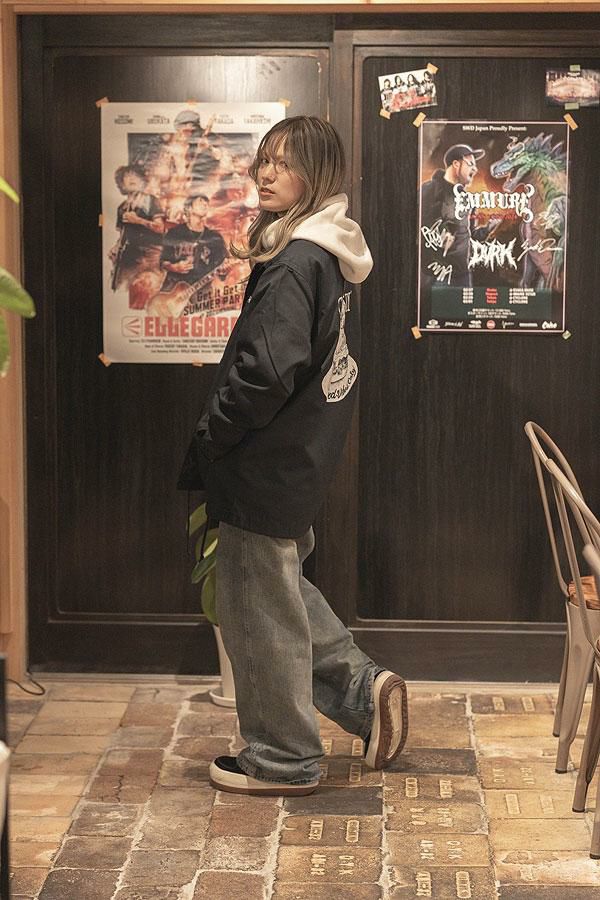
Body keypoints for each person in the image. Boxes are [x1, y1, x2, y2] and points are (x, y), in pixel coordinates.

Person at [178, 115, 409, 796]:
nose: (267, 173)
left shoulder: (294, 261)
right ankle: (363, 693)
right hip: (297, 460)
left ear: (319, 174)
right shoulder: (328, 253)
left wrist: (212, 435)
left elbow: (267, 373)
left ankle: (283, 758)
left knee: (259, 614)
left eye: (285, 162)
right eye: (264, 160)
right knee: (280, 592)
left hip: (263, 463)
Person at [420, 143, 486, 288]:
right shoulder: (429, 190)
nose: (475, 169)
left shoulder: (467, 199)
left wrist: (488, 229)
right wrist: (441, 231)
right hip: (436, 275)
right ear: (456, 164)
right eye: (470, 164)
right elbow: (419, 224)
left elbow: (471, 234)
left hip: (462, 275)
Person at [110, 164, 165, 305]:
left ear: (142, 181)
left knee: (149, 295)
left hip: (150, 255)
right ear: (122, 183)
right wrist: (115, 249)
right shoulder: (122, 207)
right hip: (128, 256)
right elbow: (122, 234)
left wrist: (138, 220)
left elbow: (160, 228)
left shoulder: (151, 200)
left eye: (135, 176)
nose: (132, 179)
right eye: (127, 176)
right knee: (122, 292)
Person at [161, 193, 227, 288]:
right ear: (189, 208)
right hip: (173, 290)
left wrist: (224, 270)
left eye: (206, 203)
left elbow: (222, 265)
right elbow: (163, 261)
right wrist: (174, 267)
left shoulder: (215, 237)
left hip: (201, 290)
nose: (205, 205)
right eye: (200, 202)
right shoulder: (174, 233)